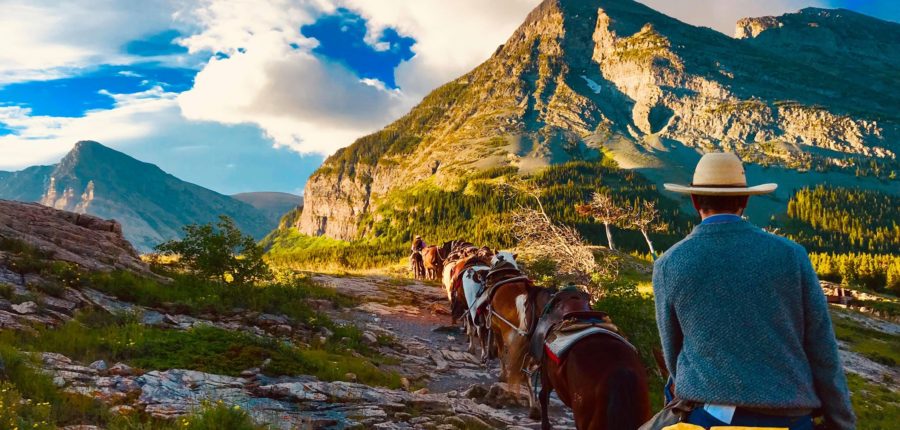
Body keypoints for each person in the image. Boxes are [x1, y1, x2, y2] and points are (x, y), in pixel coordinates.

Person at [652, 152, 855, 429]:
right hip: (791, 418)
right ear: (746, 200)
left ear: (694, 200)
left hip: (709, 417)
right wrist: (840, 421)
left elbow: (672, 354)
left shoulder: (669, 263)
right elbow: (822, 350)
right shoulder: (792, 255)